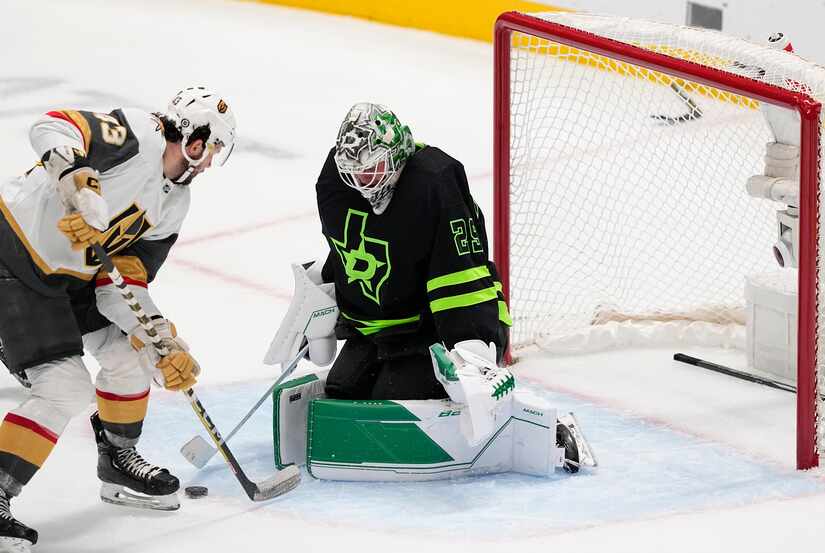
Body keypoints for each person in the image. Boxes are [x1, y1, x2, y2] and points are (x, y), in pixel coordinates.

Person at [0, 86, 236, 551]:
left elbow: (122, 286)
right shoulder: (137, 135)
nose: (208, 162)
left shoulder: (174, 203)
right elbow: (48, 125)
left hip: (72, 279)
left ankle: (117, 460)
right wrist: (75, 180)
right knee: (63, 387)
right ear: (192, 136)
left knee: (131, 356)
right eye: (210, 148)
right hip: (13, 259)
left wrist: (161, 340)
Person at [266, 102, 514, 439]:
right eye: (354, 172)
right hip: (375, 333)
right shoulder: (338, 182)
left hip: (430, 332)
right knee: (343, 391)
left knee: (392, 399)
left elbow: (461, 272)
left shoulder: (434, 182)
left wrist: (472, 355)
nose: (363, 181)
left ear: (398, 153)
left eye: (373, 168)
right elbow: (347, 252)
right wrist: (316, 303)